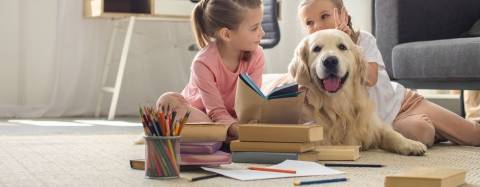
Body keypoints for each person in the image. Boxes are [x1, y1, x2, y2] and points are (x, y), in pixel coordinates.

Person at [298, 0, 480, 147]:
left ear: (343, 14)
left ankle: (448, 128)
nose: (318, 26)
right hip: (386, 123)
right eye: (309, 23)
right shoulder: (313, 58)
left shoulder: (363, 40)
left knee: (473, 135)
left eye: (324, 16)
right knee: (422, 133)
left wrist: (350, 46)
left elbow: (370, 77)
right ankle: (437, 131)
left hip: (403, 103)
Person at [155, 0, 265, 140]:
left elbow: (252, 105)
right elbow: (216, 112)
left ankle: (219, 135)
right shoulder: (203, 63)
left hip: (231, 117)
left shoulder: (257, 55)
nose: (262, 33)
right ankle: (220, 134)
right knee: (169, 104)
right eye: (254, 28)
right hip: (202, 114)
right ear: (226, 34)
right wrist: (236, 129)